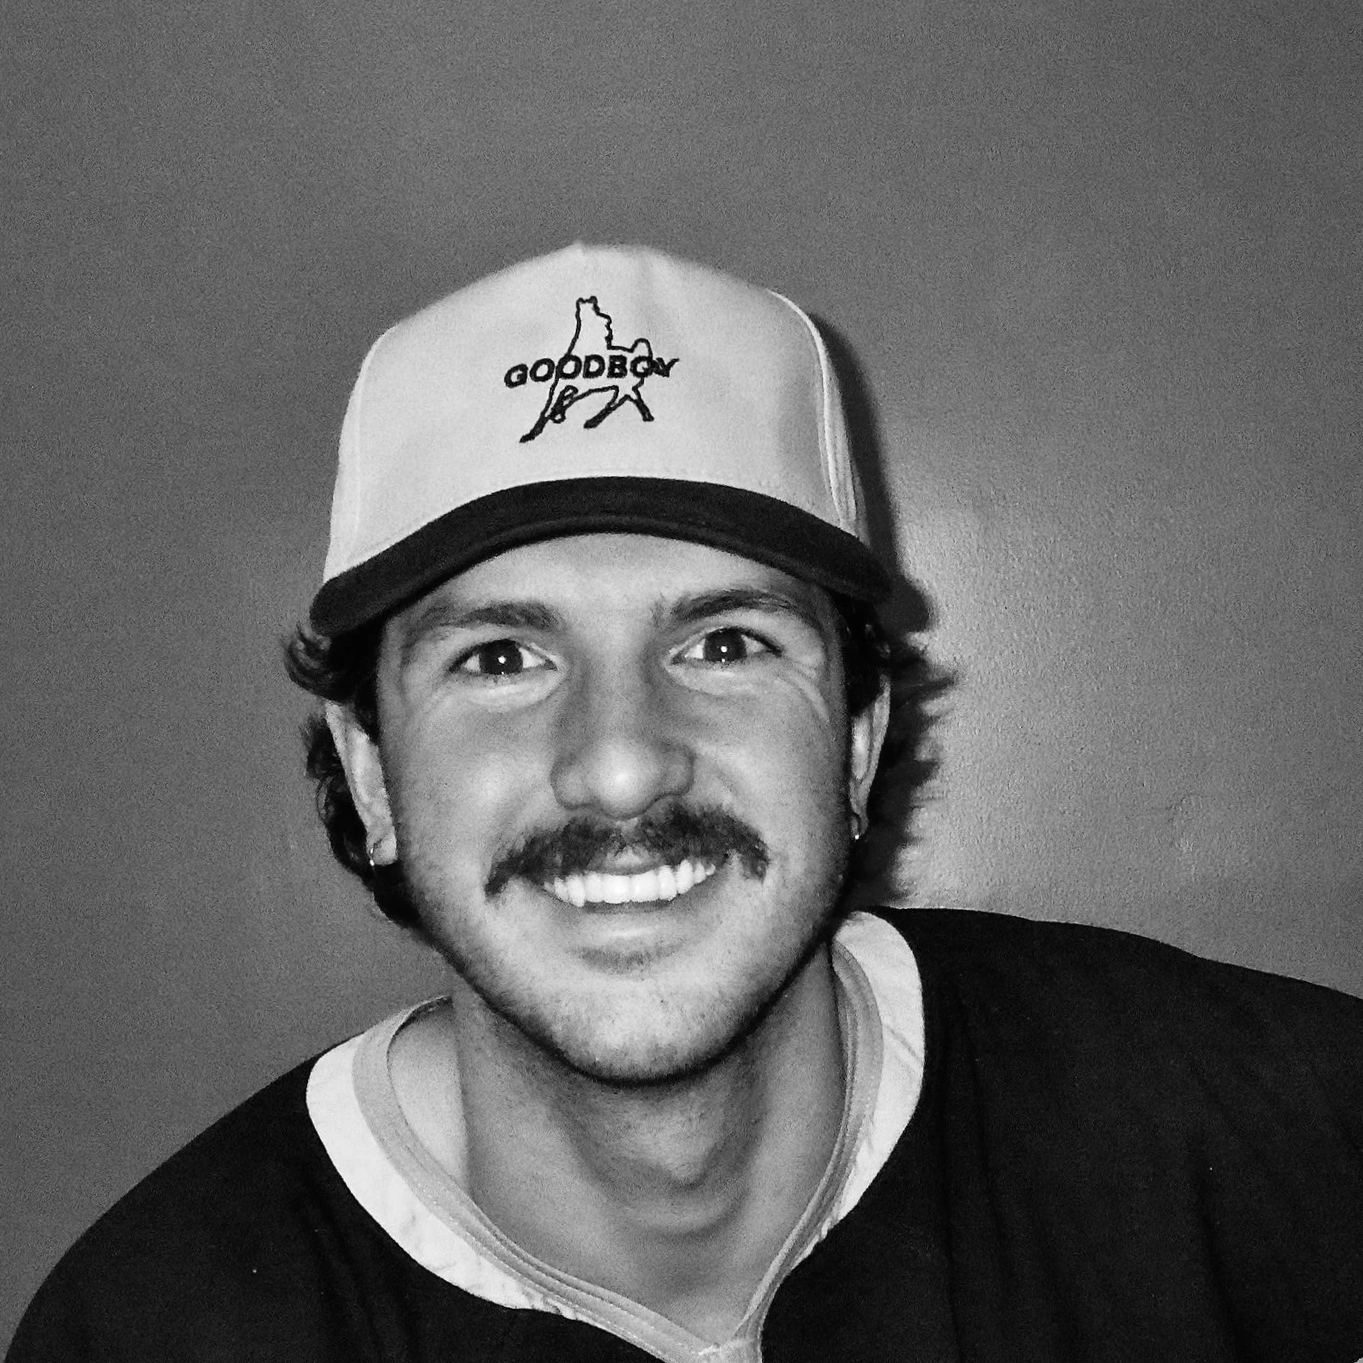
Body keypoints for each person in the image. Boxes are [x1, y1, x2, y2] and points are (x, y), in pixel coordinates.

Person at [9, 245, 1363, 1363]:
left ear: (854, 737)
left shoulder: (1260, 1144)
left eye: (723, 644)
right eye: (500, 656)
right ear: (369, 773)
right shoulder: (155, 1325)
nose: (619, 763)